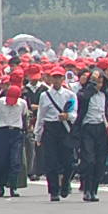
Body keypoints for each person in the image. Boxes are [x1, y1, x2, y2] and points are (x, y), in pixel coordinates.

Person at [74, 68, 108, 203]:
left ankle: (94, 190)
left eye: (101, 82)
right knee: (89, 160)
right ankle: (86, 189)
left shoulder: (105, 96)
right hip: (88, 129)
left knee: (100, 161)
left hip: (101, 129)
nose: (99, 85)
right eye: (96, 82)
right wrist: (91, 85)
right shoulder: (83, 94)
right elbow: (83, 97)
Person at [34, 67, 74, 201]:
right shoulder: (45, 95)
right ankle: (53, 191)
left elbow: (75, 113)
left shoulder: (69, 95)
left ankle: (65, 183)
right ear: (50, 79)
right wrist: (38, 134)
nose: (56, 80)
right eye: (54, 77)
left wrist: (68, 116)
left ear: (63, 79)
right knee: (51, 162)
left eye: (59, 77)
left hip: (64, 128)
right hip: (50, 128)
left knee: (68, 162)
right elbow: (41, 115)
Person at [0, 84, 29, 198]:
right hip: (2, 132)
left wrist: (26, 131)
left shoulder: (22, 104)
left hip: (16, 133)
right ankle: (0, 185)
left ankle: (13, 187)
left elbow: (24, 117)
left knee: (16, 161)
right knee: (1, 160)